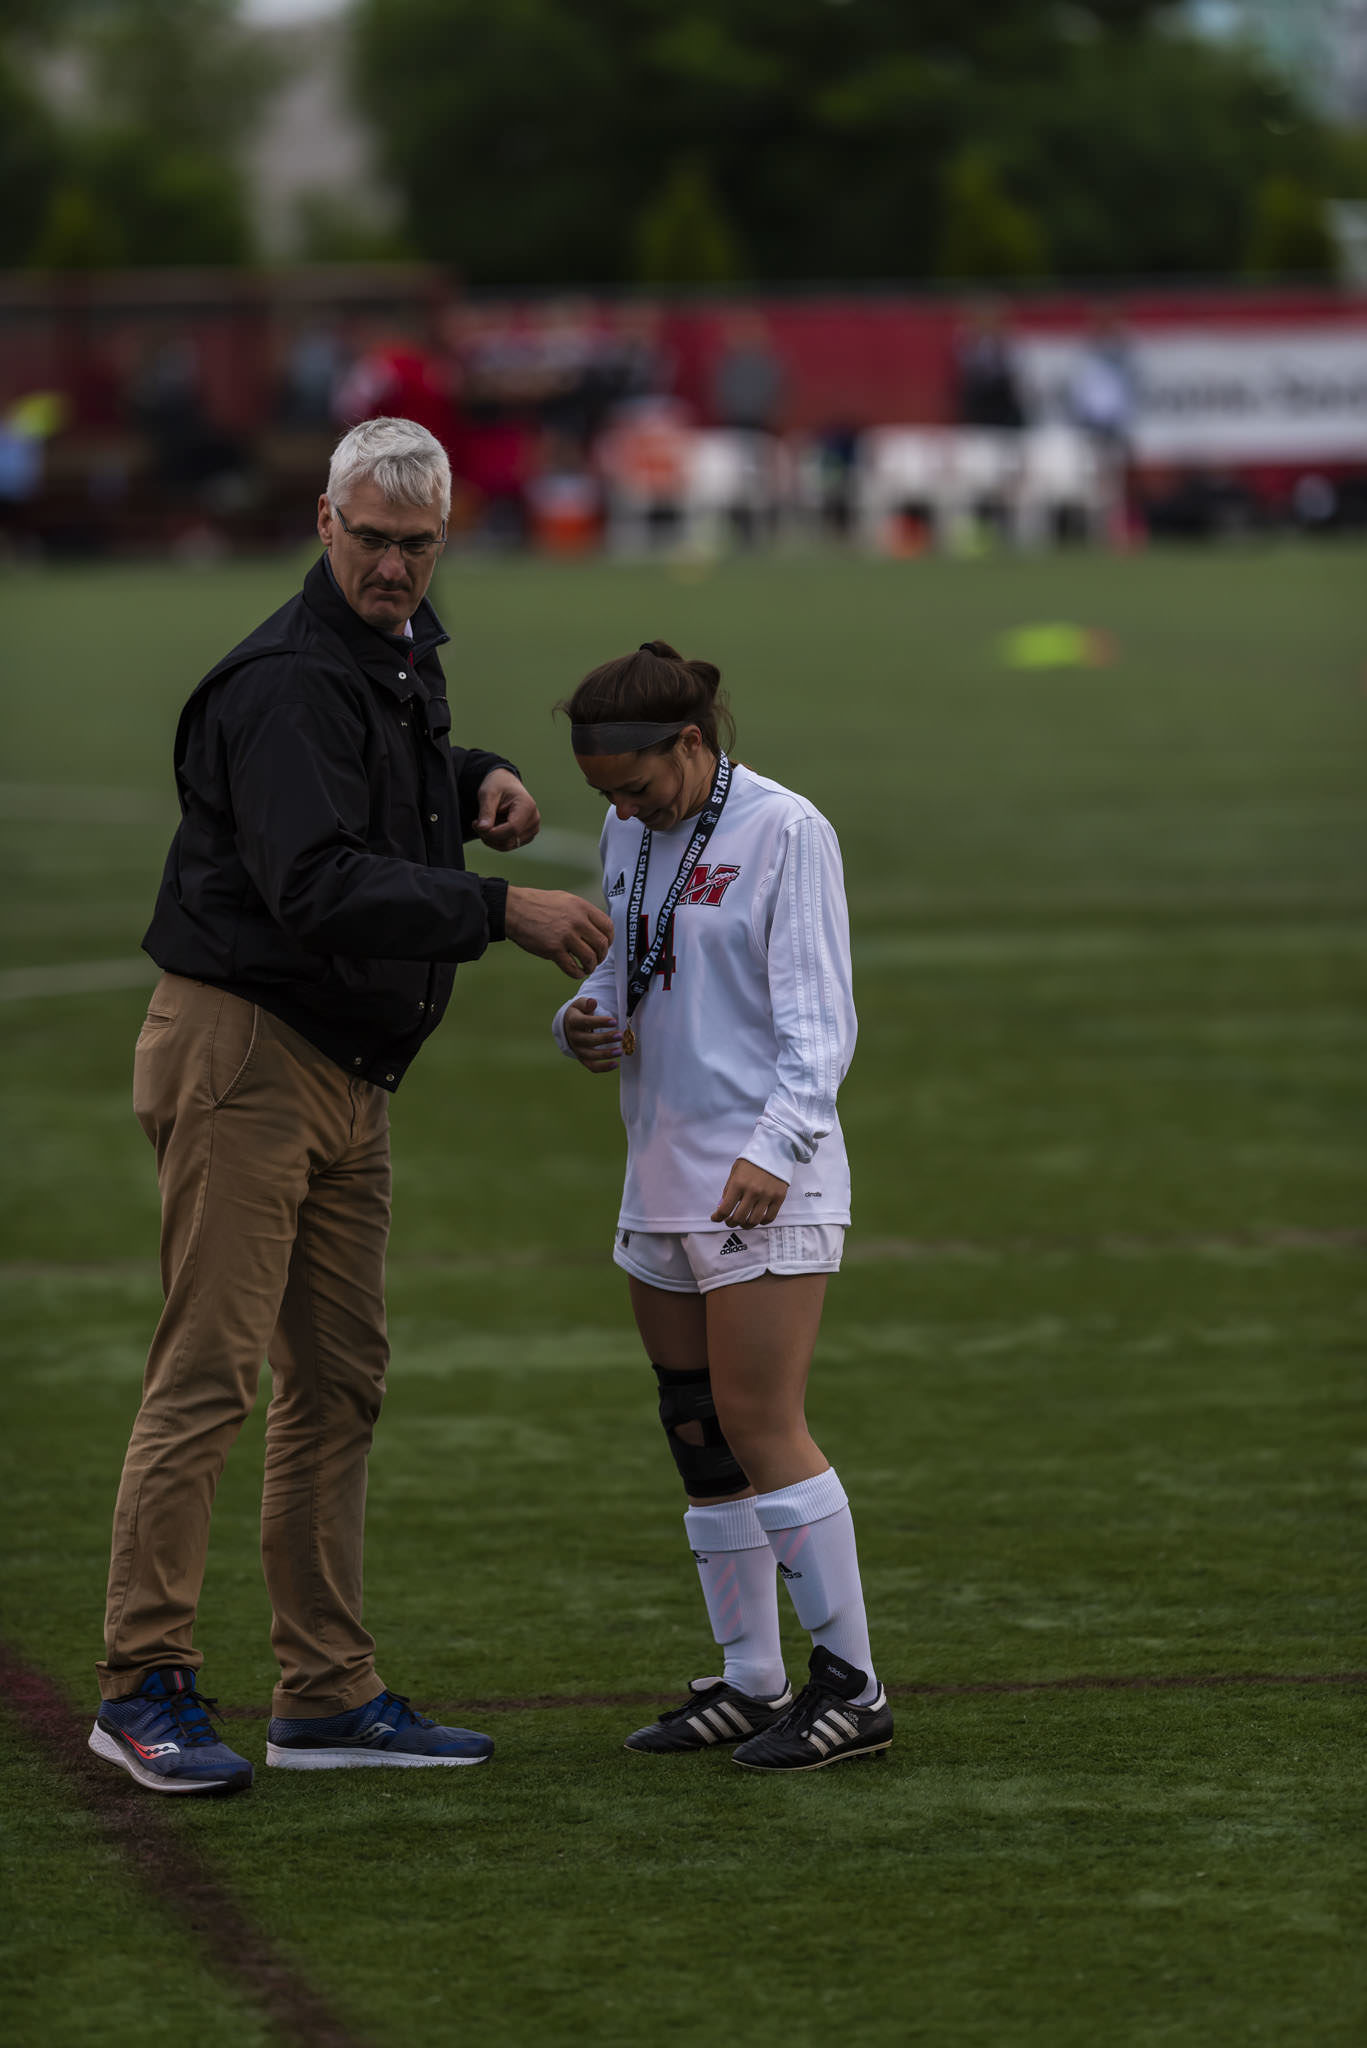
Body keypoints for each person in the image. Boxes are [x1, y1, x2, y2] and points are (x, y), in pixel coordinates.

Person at [90, 415, 613, 1796]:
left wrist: (470, 776)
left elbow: (381, 780)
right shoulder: (278, 681)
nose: (393, 566)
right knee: (209, 1376)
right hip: (245, 1056)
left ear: (445, 542)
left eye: (418, 545)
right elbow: (314, 879)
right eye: (371, 539)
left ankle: (322, 1694)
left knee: (339, 1384)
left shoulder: (389, 657)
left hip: (346, 1076)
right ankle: (142, 1684)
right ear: (323, 523)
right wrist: (497, 910)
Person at [551, 642, 891, 1772]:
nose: (621, 807)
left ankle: (853, 1684)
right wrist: (579, 1021)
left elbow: (817, 1021)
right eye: (604, 792)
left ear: (691, 744)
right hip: (658, 1169)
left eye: (635, 784)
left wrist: (776, 1146)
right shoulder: (628, 831)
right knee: (694, 1426)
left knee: (759, 1420)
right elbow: (626, 970)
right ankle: (751, 1678)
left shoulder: (785, 829)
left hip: (763, 1173)